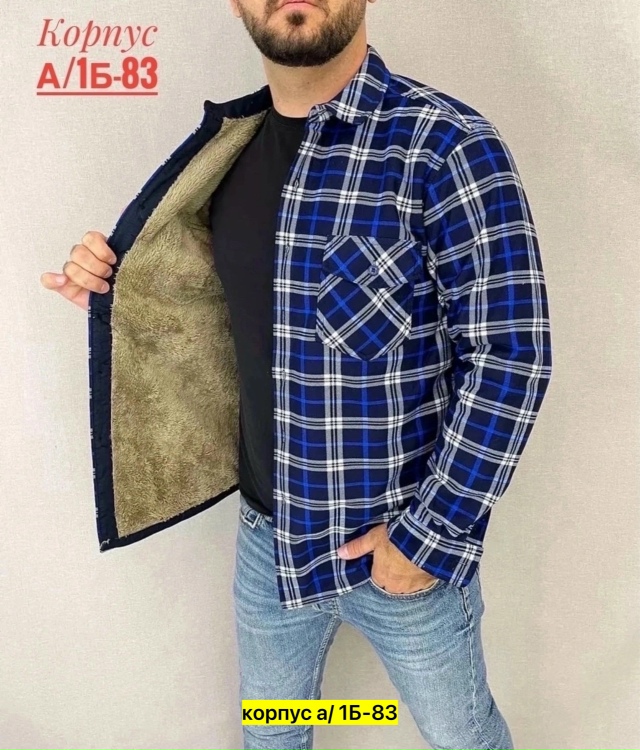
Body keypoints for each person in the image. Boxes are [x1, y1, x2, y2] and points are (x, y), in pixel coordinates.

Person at [41, 1, 552, 748]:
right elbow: (226, 315)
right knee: (275, 736)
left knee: (464, 740)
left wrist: (427, 540)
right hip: (266, 543)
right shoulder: (227, 152)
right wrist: (121, 289)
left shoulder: (445, 145)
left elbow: (511, 355)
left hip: (399, 547)